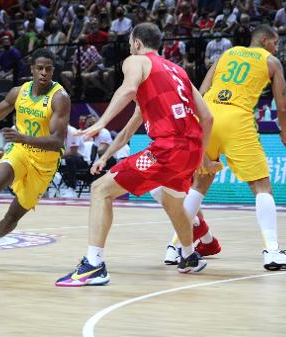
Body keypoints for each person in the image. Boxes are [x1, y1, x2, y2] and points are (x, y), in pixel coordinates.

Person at [56, 23, 214, 287]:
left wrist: (100, 123)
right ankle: (189, 256)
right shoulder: (177, 72)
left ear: (138, 43)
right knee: (174, 203)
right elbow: (207, 117)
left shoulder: (137, 61)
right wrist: (200, 158)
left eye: (131, 43)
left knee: (100, 190)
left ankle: (93, 265)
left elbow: (127, 89)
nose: (130, 48)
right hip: (190, 150)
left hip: (167, 149)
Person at [159, 25, 286, 271]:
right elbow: (283, 106)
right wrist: (284, 130)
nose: (277, 47)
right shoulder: (270, 61)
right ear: (263, 40)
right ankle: (272, 252)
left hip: (207, 117)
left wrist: (193, 125)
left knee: (199, 184)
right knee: (261, 185)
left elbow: (202, 90)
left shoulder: (226, 55)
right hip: (236, 119)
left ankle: (176, 248)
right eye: (275, 42)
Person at [0, 48, 70, 267]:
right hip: (21, 151)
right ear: (32, 70)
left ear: (53, 70)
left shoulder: (60, 98)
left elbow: (57, 141)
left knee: (12, 216)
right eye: (40, 68)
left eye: (48, 69)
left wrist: (24, 137)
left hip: (45, 163)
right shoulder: (19, 92)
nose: (44, 73)